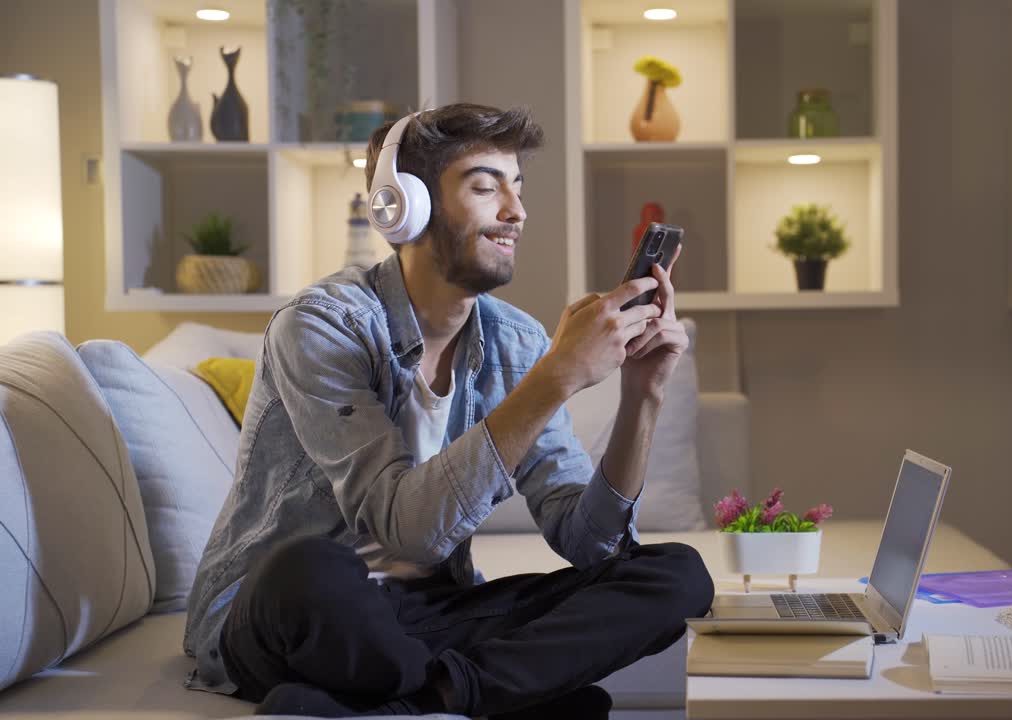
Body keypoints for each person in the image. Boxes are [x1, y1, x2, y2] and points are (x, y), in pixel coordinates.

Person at [181, 103, 714, 719]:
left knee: (676, 576)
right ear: (403, 206)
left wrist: (643, 395)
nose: (516, 212)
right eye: (486, 187)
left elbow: (592, 544)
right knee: (310, 569)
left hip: (426, 616)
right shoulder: (323, 326)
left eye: (518, 188)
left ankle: (423, 700)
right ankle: (481, 695)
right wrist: (556, 378)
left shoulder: (516, 342)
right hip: (289, 616)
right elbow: (405, 528)